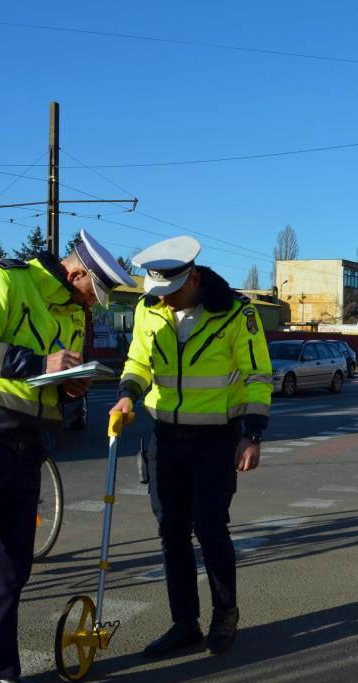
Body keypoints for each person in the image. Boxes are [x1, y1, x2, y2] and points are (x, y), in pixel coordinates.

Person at [0, 231, 133, 683]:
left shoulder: (71, 312)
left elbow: (50, 387)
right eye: (95, 293)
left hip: (26, 448)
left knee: (12, 567)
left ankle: (5, 672)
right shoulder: (3, 280)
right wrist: (39, 365)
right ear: (76, 274)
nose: (94, 306)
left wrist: (70, 387)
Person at [111, 236, 271, 660]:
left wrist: (252, 435)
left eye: (170, 293)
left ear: (193, 279)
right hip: (164, 436)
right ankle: (184, 623)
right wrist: (128, 392)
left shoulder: (237, 314)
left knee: (210, 527)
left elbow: (258, 375)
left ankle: (225, 615)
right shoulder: (149, 310)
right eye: (156, 293)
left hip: (216, 439)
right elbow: (138, 361)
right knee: (171, 533)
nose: (162, 301)